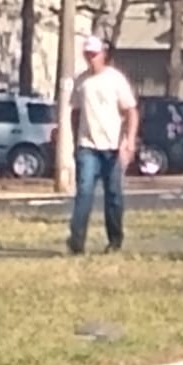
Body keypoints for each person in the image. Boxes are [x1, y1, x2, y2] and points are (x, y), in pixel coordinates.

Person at [67, 35, 139, 254]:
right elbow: (75, 112)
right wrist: (74, 140)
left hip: (113, 147)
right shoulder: (81, 82)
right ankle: (77, 241)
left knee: (113, 195)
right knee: (84, 193)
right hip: (87, 146)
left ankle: (115, 240)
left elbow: (131, 112)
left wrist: (130, 142)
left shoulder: (115, 79)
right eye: (87, 54)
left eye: (94, 54)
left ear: (103, 54)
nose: (91, 59)